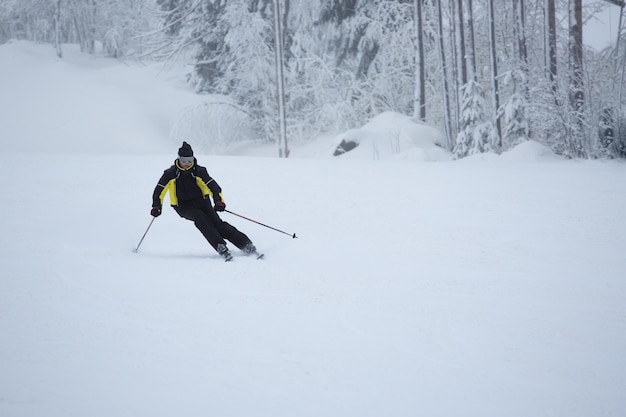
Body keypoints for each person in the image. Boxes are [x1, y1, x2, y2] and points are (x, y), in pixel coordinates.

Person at [150, 141, 259, 261]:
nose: (187, 164)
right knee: (201, 219)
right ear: (178, 159)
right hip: (183, 206)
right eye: (184, 161)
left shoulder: (199, 171)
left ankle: (246, 245)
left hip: (203, 202)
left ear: (193, 159)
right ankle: (220, 246)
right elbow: (159, 190)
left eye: (189, 161)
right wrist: (157, 206)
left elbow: (213, 186)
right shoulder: (170, 174)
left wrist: (218, 201)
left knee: (218, 224)